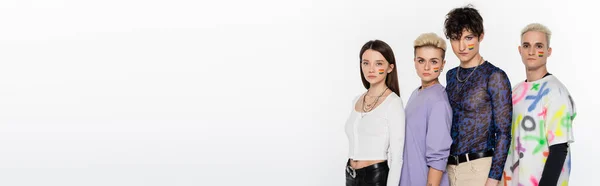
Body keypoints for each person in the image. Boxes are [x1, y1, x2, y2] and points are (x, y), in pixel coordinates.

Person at [443, 5, 513, 186]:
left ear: (481, 36)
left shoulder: (494, 76)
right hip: (449, 169)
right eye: (456, 39)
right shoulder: (451, 75)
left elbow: (504, 133)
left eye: (469, 38)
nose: (462, 46)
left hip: (480, 169)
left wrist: (493, 179)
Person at [501, 23, 576, 186]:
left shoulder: (556, 92)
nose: (532, 51)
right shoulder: (515, 92)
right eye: (527, 46)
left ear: (549, 51)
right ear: (520, 51)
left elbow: (559, 148)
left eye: (539, 46)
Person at [345, 40, 405, 186]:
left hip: (375, 177)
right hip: (350, 175)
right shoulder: (356, 100)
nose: (371, 69)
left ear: (389, 68)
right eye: (366, 63)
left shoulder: (393, 103)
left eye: (378, 63)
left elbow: (397, 157)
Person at [399, 33, 453, 186]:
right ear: (414, 62)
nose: (427, 67)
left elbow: (438, 158)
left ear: (443, 64)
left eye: (434, 61)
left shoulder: (438, 101)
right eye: (421, 60)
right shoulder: (416, 93)